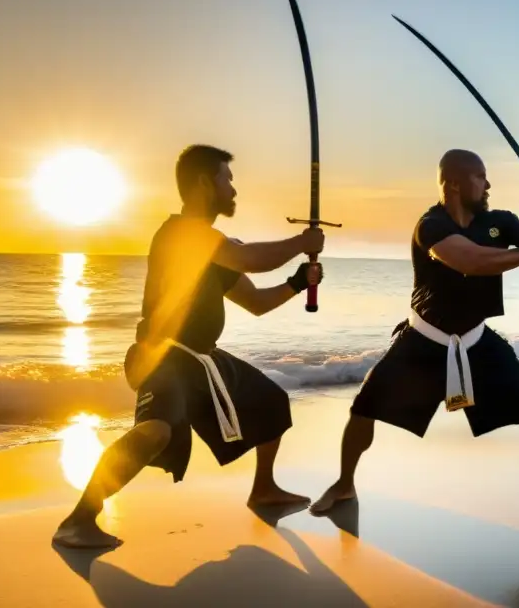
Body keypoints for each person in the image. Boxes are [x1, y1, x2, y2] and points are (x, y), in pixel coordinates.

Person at [53, 144, 326, 548]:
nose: (233, 189)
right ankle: (78, 520)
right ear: (203, 183)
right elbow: (249, 258)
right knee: (155, 433)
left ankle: (264, 489)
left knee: (271, 402)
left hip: (202, 360)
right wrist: (303, 241)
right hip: (162, 356)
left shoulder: (213, 249)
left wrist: (297, 283)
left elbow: (257, 303)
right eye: (226, 179)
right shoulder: (181, 233)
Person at [310, 149, 519, 517]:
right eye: (480, 176)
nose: (488, 183)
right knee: (365, 407)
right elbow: (470, 261)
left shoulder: (499, 221)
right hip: (424, 337)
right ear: (454, 184)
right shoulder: (431, 224)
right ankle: (344, 484)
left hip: (477, 338)